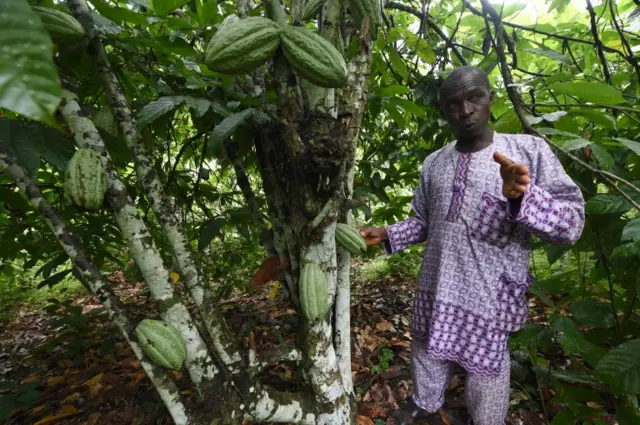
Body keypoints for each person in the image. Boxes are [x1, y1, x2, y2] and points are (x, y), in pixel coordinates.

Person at [358, 66, 585, 425]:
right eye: (453, 104)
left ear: (490, 98)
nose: (465, 110)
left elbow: (571, 225)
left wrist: (524, 197)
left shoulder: (527, 150)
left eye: (474, 97)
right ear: (444, 111)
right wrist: (387, 233)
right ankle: (426, 405)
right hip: (438, 284)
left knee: (487, 371)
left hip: (489, 296)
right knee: (426, 348)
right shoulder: (434, 163)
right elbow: (425, 222)